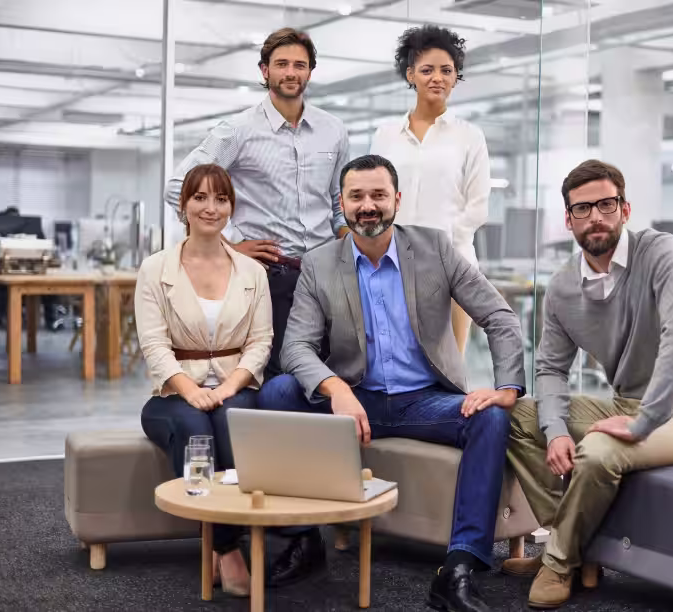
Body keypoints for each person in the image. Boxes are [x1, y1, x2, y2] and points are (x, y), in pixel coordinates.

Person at [256, 154, 525, 610]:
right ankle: (304, 541)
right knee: (277, 391)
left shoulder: (436, 249)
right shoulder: (321, 264)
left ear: (396, 200)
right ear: (341, 203)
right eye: (356, 196)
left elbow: (499, 316)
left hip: (427, 401)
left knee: (493, 417)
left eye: (378, 195)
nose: (368, 206)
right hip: (356, 399)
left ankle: (458, 568)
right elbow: (295, 348)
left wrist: (507, 386)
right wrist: (337, 390)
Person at [502, 159, 673, 609]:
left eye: (606, 204)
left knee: (600, 451)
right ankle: (580, 546)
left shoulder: (661, 252)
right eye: (582, 209)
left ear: (624, 208)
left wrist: (643, 423)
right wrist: (557, 430)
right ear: (568, 220)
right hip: (625, 404)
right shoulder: (564, 288)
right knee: (511, 416)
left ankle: (559, 561)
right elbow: (549, 369)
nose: (595, 217)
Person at [165, 27, 349, 382]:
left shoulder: (334, 130)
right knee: (280, 376)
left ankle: (323, 439)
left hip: (327, 273)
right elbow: (178, 188)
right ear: (264, 70)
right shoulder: (236, 131)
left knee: (329, 372)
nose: (291, 73)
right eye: (281, 64)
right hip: (271, 275)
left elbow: (336, 201)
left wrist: (347, 238)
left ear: (311, 71)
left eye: (299, 65)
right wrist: (228, 247)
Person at [138, 164, 273, 598]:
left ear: (231, 207)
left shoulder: (253, 271)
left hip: (236, 386)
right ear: (184, 205)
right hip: (174, 391)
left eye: (220, 198)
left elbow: (261, 341)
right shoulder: (156, 269)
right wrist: (191, 389)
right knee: (195, 431)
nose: (210, 207)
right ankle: (228, 549)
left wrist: (230, 385)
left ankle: (220, 540)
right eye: (200, 197)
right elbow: (154, 346)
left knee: (233, 424)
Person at [370, 25, 490, 355]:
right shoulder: (386, 135)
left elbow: (478, 205)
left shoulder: (469, 136)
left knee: (451, 370)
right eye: (426, 70)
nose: (437, 78)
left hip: (455, 266)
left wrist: (439, 246)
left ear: (455, 77)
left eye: (446, 70)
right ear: (410, 75)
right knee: (394, 364)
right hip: (393, 263)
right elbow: (375, 198)